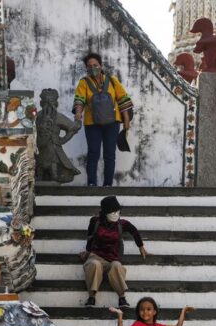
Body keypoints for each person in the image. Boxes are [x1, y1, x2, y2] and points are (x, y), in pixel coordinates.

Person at [73, 52, 133, 186]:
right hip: (92, 123)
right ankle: (92, 184)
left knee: (109, 155)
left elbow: (123, 99)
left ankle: (108, 185)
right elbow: (79, 99)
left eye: (95, 65)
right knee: (93, 153)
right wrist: (78, 113)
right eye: (89, 66)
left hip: (113, 123)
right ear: (86, 68)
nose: (92, 68)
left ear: (101, 65)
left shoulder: (112, 81)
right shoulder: (83, 83)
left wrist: (126, 121)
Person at [80, 196, 148, 307]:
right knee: (94, 264)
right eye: (112, 212)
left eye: (117, 211)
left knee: (117, 266)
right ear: (105, 213)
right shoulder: (95, 221)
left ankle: (122, 298)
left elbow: (134, 231)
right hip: (96, 256)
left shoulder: (122, 224)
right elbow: (90, 237)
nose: (115, 214)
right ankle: (91, 297)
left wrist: (140, 246)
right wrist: (87, 252)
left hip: (113, 258)